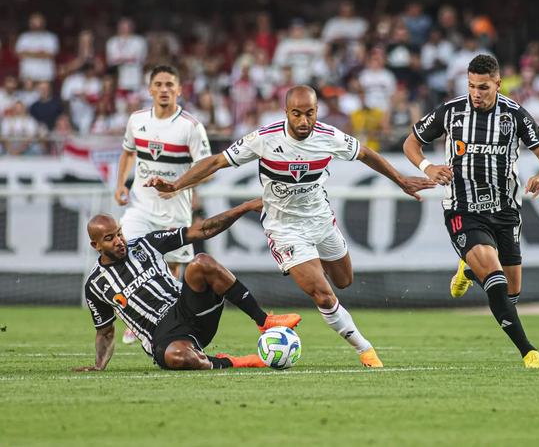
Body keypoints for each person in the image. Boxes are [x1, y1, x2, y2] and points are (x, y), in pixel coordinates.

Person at [145, 85, 435, 368]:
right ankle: (365, 349)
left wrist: (402, 180)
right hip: (284, 229)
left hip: (321, 220)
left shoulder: (329, 136)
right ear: (286, 112)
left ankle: (308, 263)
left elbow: (367, 154)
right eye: (296, 114)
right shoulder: (264, 139)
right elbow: (217, 162)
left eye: (309, 113)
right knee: (323, 294)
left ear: (317, 111)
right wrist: (178, 183)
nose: (303, 121)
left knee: (344, 280)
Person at [402, 55, 539, 368]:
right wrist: (427, 166)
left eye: (483, 87)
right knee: (497, 280)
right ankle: (529, 353)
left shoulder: (514, 114)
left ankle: (468, 270)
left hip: (505, 210)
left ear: (498, 84)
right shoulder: (451, 111)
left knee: (510, 294)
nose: (476, 93)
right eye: (472, 86)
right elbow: (411, 143)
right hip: (463, 209)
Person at [72, 200, 301, 372]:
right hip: (160, 338)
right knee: (178, 358)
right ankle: (235, 361)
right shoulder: (95, 285)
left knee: (200, 262)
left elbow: (201, 230)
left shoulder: (144, 245)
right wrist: (99, 365)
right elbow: (105, 332)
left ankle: (264, 321)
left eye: (119, 233)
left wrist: (243, 208)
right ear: (96, 245)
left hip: (188, 309)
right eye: (110, 238)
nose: (119, 241)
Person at [114, 65, 212, 345]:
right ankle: (135, 317)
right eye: (159, 84)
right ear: (150, 90)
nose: (164, 89)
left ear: (179, 90)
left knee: (171, 273)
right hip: (140, 206)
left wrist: (180, 186)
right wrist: (121, 183)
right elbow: (128, 153)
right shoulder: (137, 120)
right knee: (128, 253)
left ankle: (164, 324)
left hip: (175, 211)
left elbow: (208, 169)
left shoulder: (190, 127)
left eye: (170, 84)